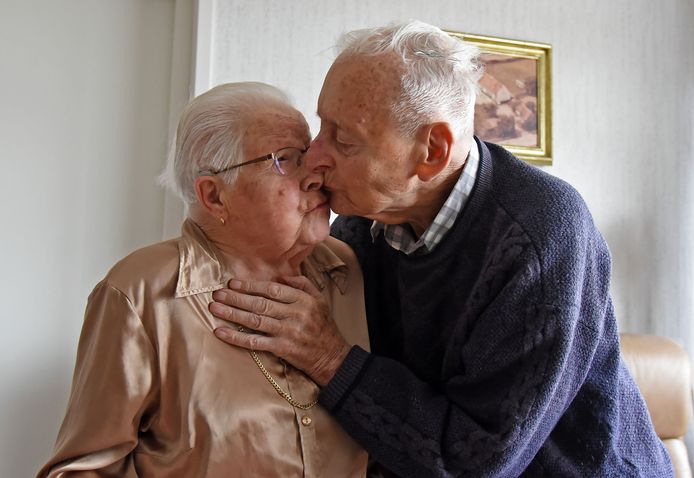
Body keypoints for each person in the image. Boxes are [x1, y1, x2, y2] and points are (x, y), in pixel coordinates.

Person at [210, 22, 674, 477]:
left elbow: (474, 464)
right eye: (322, 127)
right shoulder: (360, 222)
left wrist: (330, 357)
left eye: (344, 139)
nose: (314, 157)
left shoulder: (540, 236)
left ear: (432, 151)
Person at [36, 82, 370, 478]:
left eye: (308, 153)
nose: (316, 174)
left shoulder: (349, 271)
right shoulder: (141, 293)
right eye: (285, 159)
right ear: (214, 196)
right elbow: (82, 470)